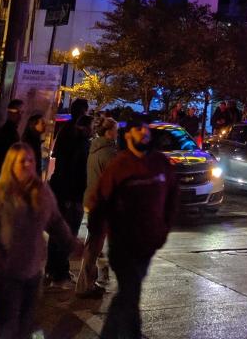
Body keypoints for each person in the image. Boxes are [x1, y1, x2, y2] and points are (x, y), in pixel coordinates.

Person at [0, 142, 83, 338]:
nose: (27, 164)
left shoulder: (42, 192)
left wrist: (71, 243)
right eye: (21, 161)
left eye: (30, 160)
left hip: (32, 272)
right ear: (10, 165)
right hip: (5, 275)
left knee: (26, 324)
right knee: (7, 326)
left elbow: (56, 222)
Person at [85, 116, 179, 339]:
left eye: (146, 129)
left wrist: (164, 228)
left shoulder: (159, 163)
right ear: (127, 135)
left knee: (126, 295)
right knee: (130, 291)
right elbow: (99, 201)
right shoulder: (119, 166)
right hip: (123, 244)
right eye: (138, 129)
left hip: (148, 244)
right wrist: (97, 232)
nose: (143, 133)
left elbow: (173, 197)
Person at [46, 103, 91, 284]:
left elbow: (57, 156)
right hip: (70, 193)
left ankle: (53, 268)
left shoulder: (65, 132)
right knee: (67, 231)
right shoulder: (78, 140)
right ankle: (60, 270)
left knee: (59, 231)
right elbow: (75, 170)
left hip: (61, 189)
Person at [76, 115, 120, 298]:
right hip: (103, 204)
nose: (117, 134)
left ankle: (86, 283)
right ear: (109, 132)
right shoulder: (109, 153)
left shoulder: (95, 150)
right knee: (94, 245)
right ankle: (85, 285)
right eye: (116, 130)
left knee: (93, 244)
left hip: (94, 201)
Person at [0, 99, 23, 190]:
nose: (20, 115)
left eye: (22, 112)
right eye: (17, 111)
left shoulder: (12, 131)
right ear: (9, 112)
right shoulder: (6, 133)